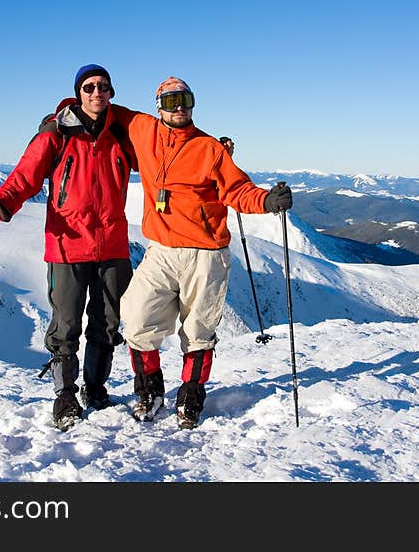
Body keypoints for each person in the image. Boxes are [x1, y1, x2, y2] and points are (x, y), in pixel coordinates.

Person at [107, 77, 293, 429]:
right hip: (160, 249)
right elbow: (99, 106)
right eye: (172, 99)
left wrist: (267, 200)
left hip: (205, 253)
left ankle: (191, 395)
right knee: (135, 317)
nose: (180, 106)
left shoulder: (209, 149)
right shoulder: (141, 128)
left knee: (198, 330)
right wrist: (58, 118)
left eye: (186, 99)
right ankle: (149, 389)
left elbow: (237, 190)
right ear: (158, 105)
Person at [0, 64, 135, 431]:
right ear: (79, 92)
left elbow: (165, 160)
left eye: (104, 87)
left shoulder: (122, 135)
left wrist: (210, 151)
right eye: (90, 87)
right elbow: (24, 178)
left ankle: (96, 388)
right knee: (66, 325)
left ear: (111, 93)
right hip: (67, 246)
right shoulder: (56, 135)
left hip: (112, 244)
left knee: (107, 323)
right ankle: (65, 396)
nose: (97, 93)